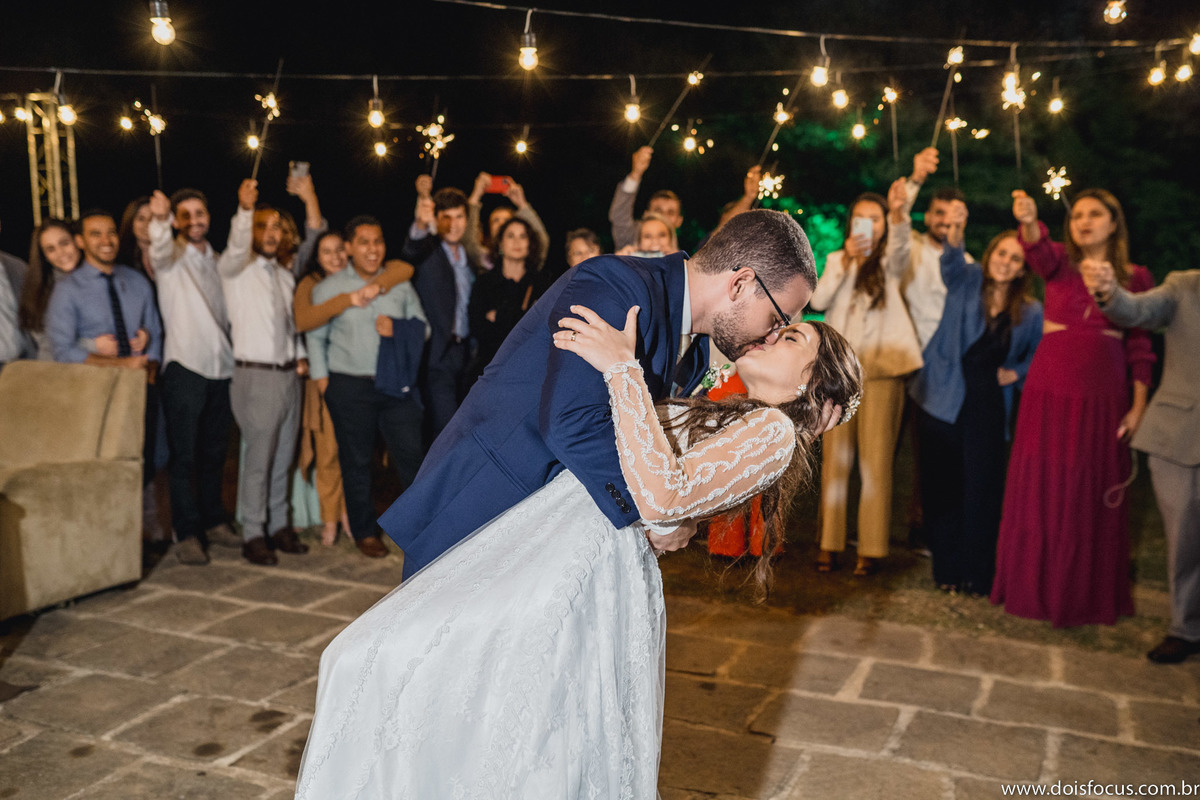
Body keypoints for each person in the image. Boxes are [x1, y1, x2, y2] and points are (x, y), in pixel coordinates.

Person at [295, 311, 861, 798]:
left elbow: (661, 495)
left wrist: (622, 367)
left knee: (460, 692)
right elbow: (669, 493)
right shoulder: (739, 412)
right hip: (555, 538)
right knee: (479, 704)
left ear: (815, 393)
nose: (772, 337)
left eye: (792, 341)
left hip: (580, 563)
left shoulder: (776, 432)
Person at [380, 208, 821, 579]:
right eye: (779, 317)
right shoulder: (616, 285)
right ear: (741, 283)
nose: (771, 336)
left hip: (551, 538)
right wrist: (654, 514)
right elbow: (570, 420)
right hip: (487, 505)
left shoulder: (701, 352)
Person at [991, 189, 1155, 626]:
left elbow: (1141, 345)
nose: (1084, 221)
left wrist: (1138, 406)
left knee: (1089, 490)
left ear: (1113, 222)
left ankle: (1081, 596)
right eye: (1078, 214)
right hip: (1049, 392)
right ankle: (1032, 588)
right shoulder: (1060, 262)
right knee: (1043, 484)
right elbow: (1037, 248)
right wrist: (1028, 219)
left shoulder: (1136, 277)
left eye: (1095, 214)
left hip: (1104, 397)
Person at [908, 223, 1042, 596]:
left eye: (1016, 258)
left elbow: (1041, 355)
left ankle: (977, 573)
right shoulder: (966, 281)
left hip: (989, 407)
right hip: (944, 398)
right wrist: (956, 228)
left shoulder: (1030, 312)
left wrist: (1018, 372)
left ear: (1022, 269)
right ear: (989, 256)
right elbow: (950, 260)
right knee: (943, 488)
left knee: (982, 491)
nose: (1006, 262)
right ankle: (947, 570)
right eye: (1001, 253)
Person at [1085, 261, 1200, 661]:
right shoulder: (1183, 287)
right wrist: (1108, 291)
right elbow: (1136, 311)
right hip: (1181, 436)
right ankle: (1186, 628)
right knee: (1183, 542)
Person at [809, 180, 922, 576]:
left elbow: (903, 248)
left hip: (882, 371)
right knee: (835, 462)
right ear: (850, 224)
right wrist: (844, 263)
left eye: (875, 220)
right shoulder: (839, 259)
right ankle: (829, 544)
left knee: (876, 463)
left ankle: (871, 549)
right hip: (840, 374)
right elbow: (818, 302)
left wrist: (899, 214)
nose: (867, 225)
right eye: (861, 218)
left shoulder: (893, 259)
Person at [307, 216, 429, 559]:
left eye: (377, 242)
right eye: (364, 242)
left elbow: (425, 328)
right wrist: (323, 381)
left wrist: (399, 328)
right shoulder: (328, 289)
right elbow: (315, 338)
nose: (372, 249)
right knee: (356, 460)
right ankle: (365, 532)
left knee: (411, 455)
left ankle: (420, 529)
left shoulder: (399, 286)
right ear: (348, 248)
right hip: (347, 385)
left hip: (395, 387)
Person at [217, 179, 310, 566]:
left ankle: (279, 526)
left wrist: (299, 354)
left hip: (290, 375)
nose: (271, 234)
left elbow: (288, 325)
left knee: (283, 455)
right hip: (256, 375)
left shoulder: (284, 275)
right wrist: (243, 209)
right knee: (258, 458)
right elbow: (237, 245)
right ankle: (253, 532)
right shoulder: (234, 269)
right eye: (263, 226)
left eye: (276, 227)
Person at [146, 187, 240, 565]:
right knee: (184, 456)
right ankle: (186, 532)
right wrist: (157, 219)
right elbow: (158, 249)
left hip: (222, 367)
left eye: (199, 213)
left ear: (208, 217)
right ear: (175, 221)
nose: (194, 220)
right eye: (185, 215)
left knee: (215, 452)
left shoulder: (217, 261)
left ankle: (214, 520)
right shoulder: (171, 260)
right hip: (186, 367)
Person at [45, 210, 163, 498]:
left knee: (152, 459)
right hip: (94, 394)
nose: (106, 240)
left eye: (110, 232)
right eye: (95, 234)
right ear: (81, 241)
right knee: (105, 469)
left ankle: (144, 535)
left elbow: (156, 333)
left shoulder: (137, 282)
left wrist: (149, 372)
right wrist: (122, 363)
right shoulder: (67, 290)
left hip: (140, 390)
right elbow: (61, 350)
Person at [402, 178, 478, 437]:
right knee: (446, 430)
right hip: (436, 355)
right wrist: (422, 222)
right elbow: (411, 248)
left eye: (459, 217)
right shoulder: (429, 250)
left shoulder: (470, 257)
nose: (453, 224)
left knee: (467, 427)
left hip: (468, 354)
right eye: (446, 217)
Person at [467, 216, 552, 383]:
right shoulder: (484, 282)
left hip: (532, 371)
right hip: (490, 370)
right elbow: (477, 328)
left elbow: (544, 330)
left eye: (523, 236)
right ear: (500, 243)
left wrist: (497, 316)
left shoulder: (541, 282)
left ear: (530, 243)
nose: (517, 242)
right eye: (510, 236)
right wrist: (522, 314)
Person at [19, 219, 84, 360]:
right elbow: (50, 345)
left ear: (78, 241)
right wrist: (94, 345)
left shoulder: (103, 278)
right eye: (51, 249)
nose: (61, 253)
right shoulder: (41, 292)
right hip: (57, 373)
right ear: (45, 257)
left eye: (64, 243)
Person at [465, 171, 550, 273]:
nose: (501, 224)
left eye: (506, 220)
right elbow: (467, 240)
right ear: (490, 228)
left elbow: (541, 242)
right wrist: (476, 195)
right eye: (496, 220)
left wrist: (522, 204)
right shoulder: (483, 258)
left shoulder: (525, 258)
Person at [609, 145, 684, 251]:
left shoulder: (684, 262)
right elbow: (620, 216)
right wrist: (635, 174)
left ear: (679, 221)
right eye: (658, 210)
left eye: (670, 212)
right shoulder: (632, 241)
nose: (663, 216)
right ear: (646, 214)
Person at [117, 196, 155, 280]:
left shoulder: (172, 254)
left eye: (152, 218)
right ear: (130, 222)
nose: (147, 224)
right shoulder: (120, 259)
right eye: (141, 219)